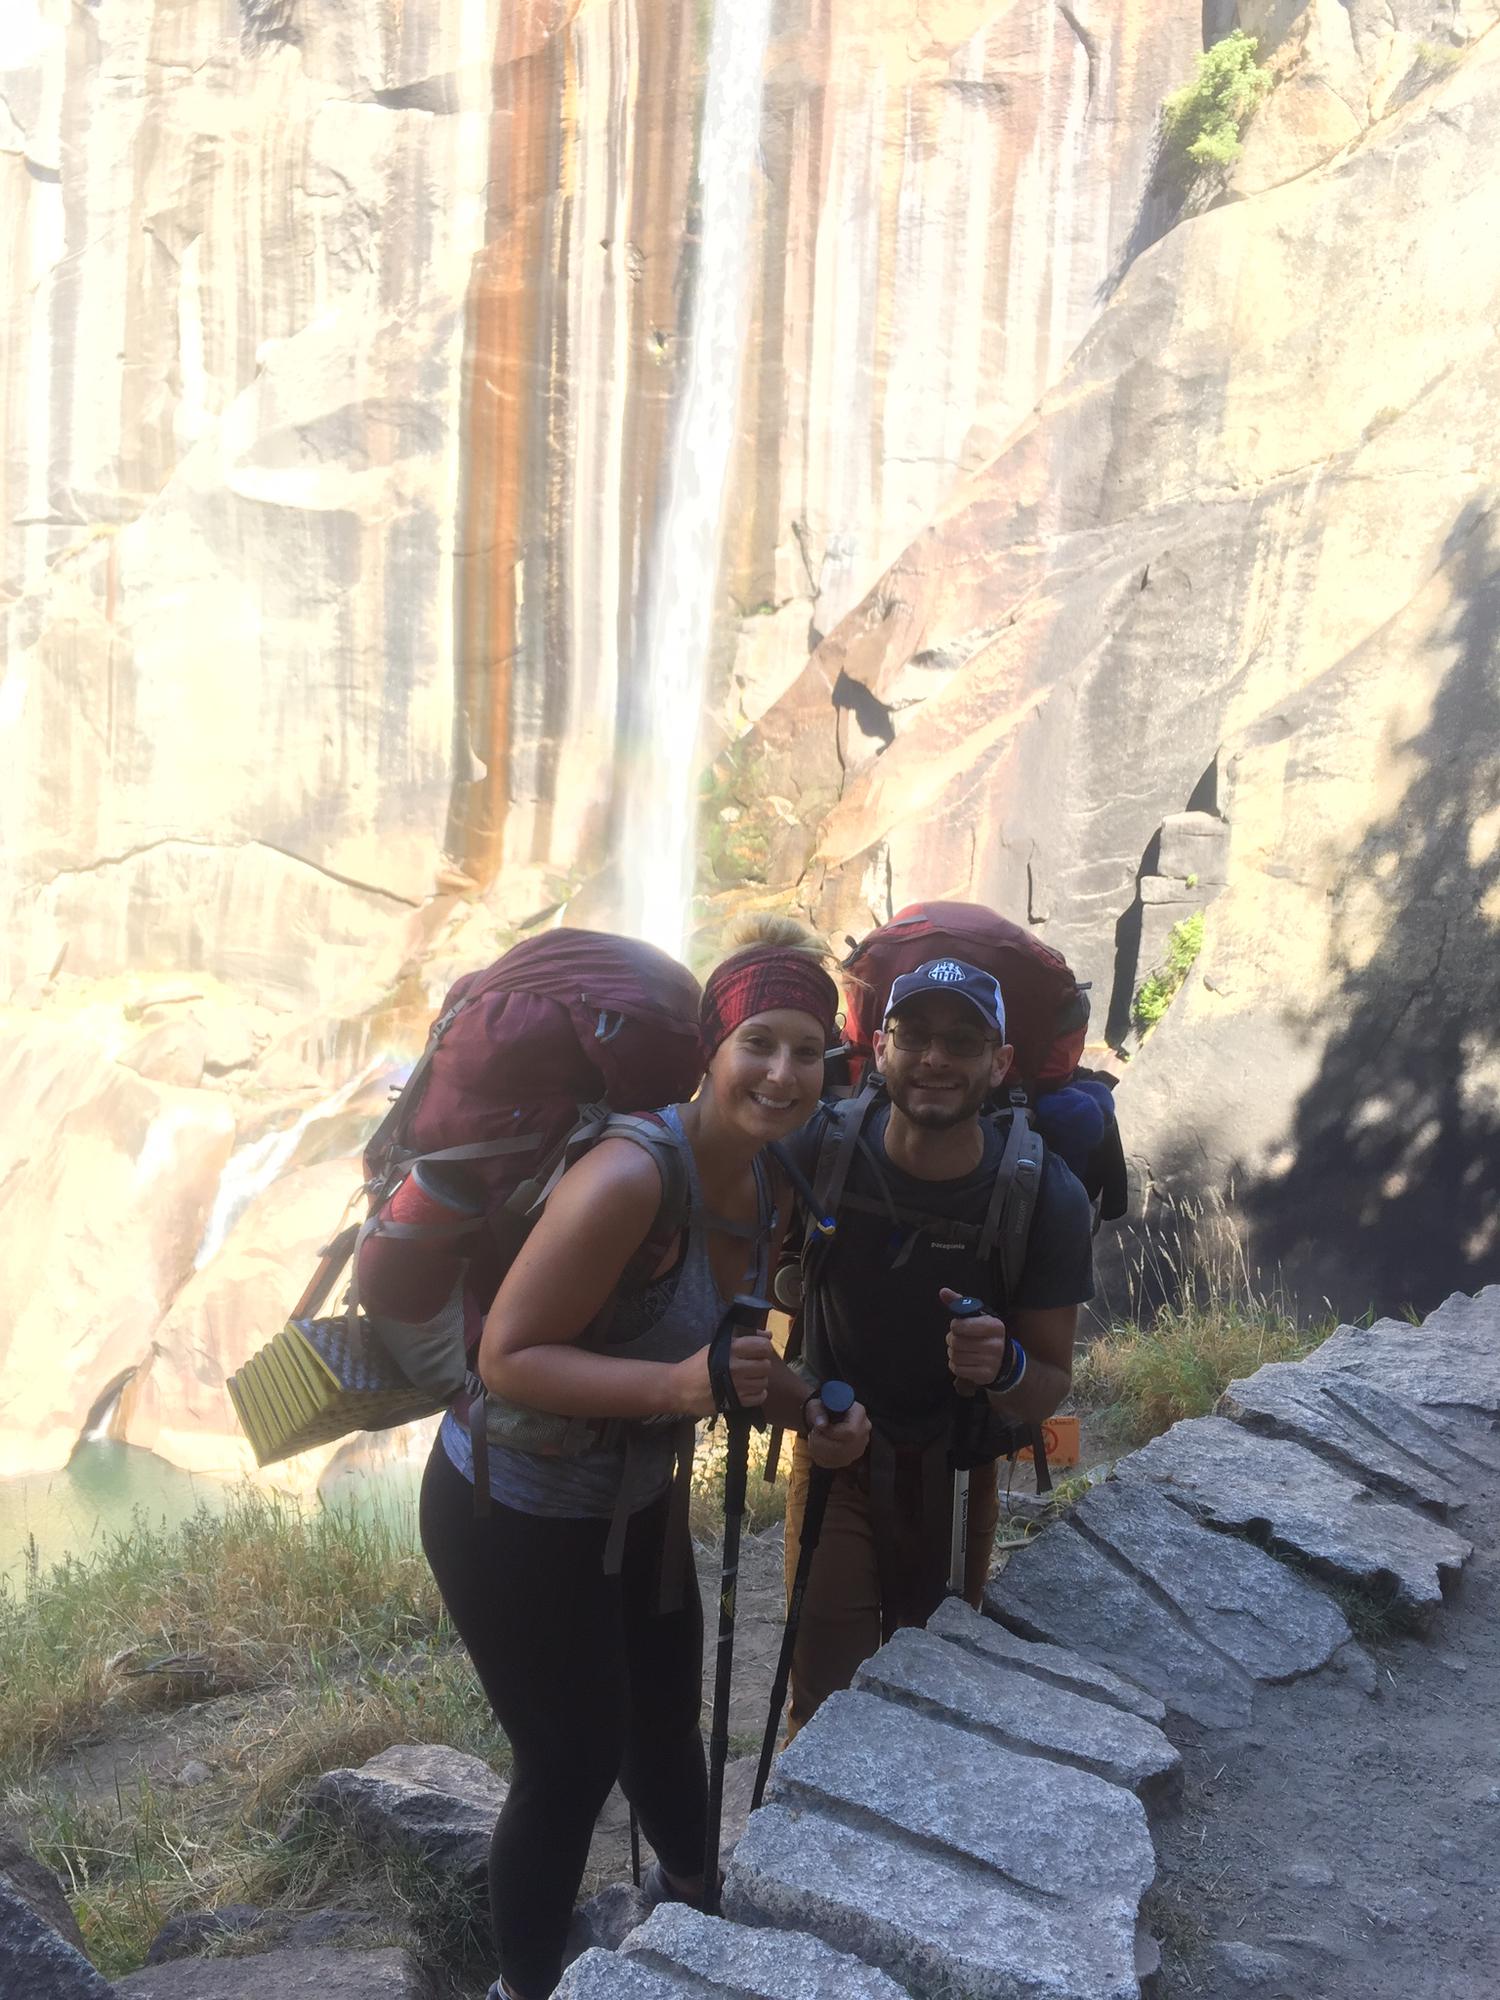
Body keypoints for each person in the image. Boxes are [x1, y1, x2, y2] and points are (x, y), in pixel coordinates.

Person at [418, 918, 870, 2000]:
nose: (784, 1070)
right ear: (711, 1050)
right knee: (570, 1758)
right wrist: (682, 1391)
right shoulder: (631, 1172)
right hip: (509, 1508)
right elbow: (509, 1355)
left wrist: (812, 1411)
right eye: (760, 1040)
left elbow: (734, 1353)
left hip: (635, 1505)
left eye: (807, 1049)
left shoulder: (765, 1181)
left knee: (664, 1724)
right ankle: (526, 1986)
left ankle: (699, 1908)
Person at [780, 956, 1094, 1735]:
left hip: (958, 1472)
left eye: (961, 1041)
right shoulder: (819, 1153)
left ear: (1001, 1064)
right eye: (913, 1035)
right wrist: (803, 1408)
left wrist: (1005, 1366)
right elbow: (753, 1313)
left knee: (935, 1695)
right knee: (827, 1704)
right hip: (835, 1459)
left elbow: (1050, 1383)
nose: (934, 1059)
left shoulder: (1041, 1195)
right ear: (879, 1049)